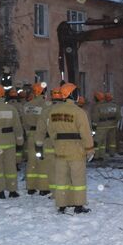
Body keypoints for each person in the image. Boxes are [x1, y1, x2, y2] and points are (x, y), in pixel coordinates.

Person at [37, 83, 94, 214]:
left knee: (61, 179)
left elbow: (50, 130)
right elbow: (85, 133)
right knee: (78, 179)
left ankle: (62, 204)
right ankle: (78, 205)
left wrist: (56, 143)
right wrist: (90, 149)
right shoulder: (79, 112)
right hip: (76, 150)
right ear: (71, 94)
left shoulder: (53, 112)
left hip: (59, 150)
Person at [22, 83, 53, 195]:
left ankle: (31, 186)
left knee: (31, 161)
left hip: (30, 135)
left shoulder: (26, 106)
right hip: (42, 135)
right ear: (43, 92)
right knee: (43, 161)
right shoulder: (47, 105)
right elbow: (48, 122)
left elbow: (24, 123)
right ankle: (44, 188)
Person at [95, 92, 120, 160]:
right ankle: (112, 152)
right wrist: (115, 123)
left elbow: (96, 117)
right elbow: (118, 116)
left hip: (102, 125)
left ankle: (98, 155)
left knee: (100, 140)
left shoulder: (99, 106)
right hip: (112, 125)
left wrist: (94, 125)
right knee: (112, 140)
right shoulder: (115, 106)